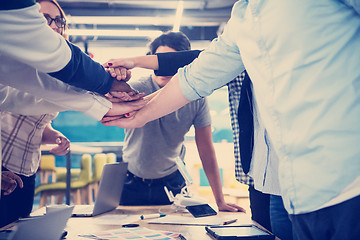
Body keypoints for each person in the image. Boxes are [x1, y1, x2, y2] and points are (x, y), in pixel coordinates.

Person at [102, 1, 360, 239]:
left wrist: (135, 70)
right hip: (299, 193)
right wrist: (138, 114)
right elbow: (197, 73)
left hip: (349, 182)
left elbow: (191, 68)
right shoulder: (243, 18)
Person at [115, 31, 243, 212]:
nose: (164, 68)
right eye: (160, 61)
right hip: (131, 180)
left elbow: (206, 148)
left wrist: (219, 200)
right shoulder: (136, 88)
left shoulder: (196, 98)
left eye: (170, 62)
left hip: (172, 183)